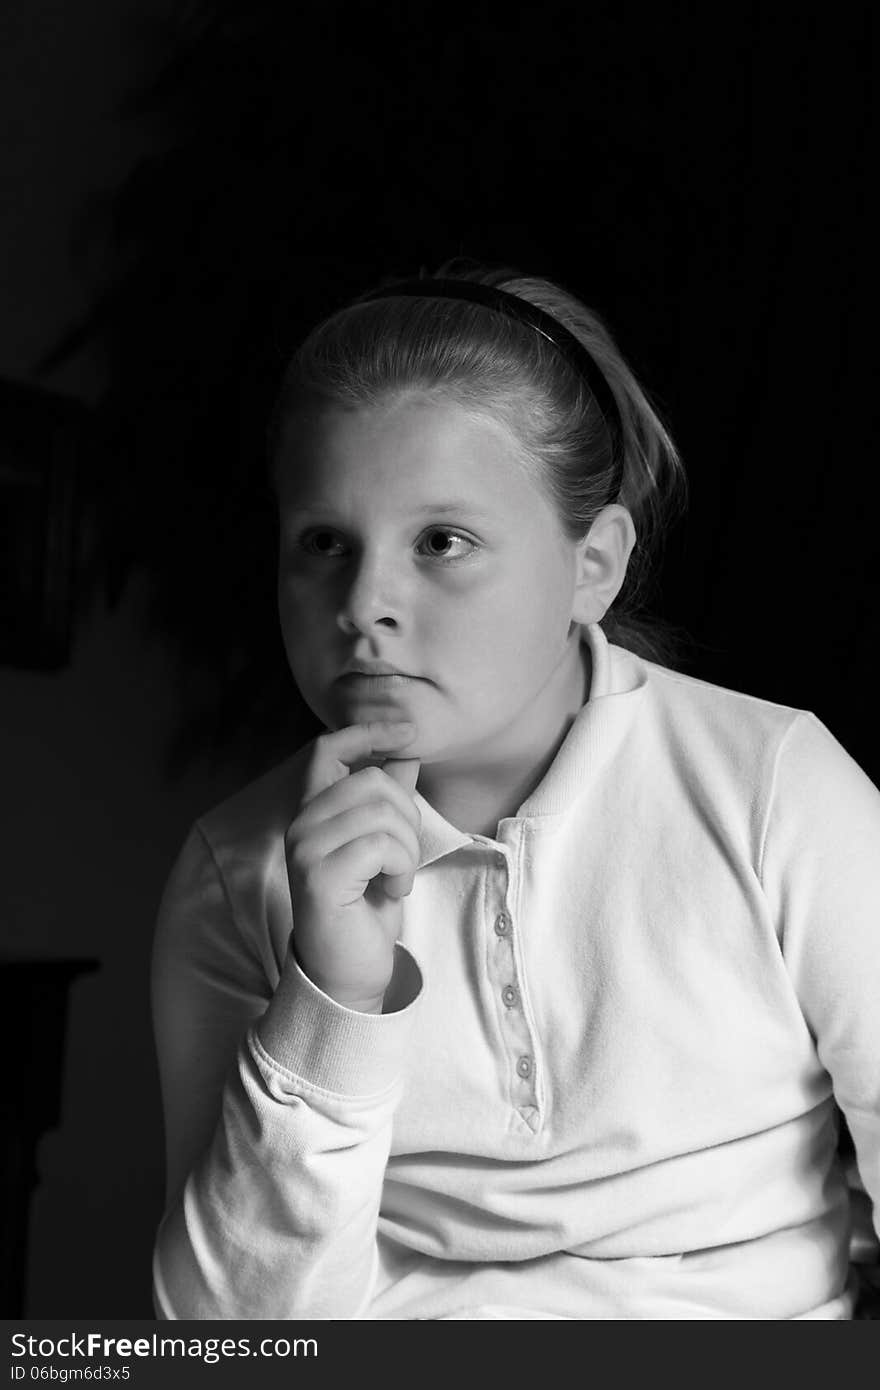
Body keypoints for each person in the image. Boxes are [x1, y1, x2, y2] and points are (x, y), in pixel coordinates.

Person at [150, 261, 880, 1320]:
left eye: (441, 541)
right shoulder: (236, 871)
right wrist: (333, 998)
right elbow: (223, 1339)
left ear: (595, 563)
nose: (363, 604)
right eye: (322, 543)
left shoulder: (773, 789)